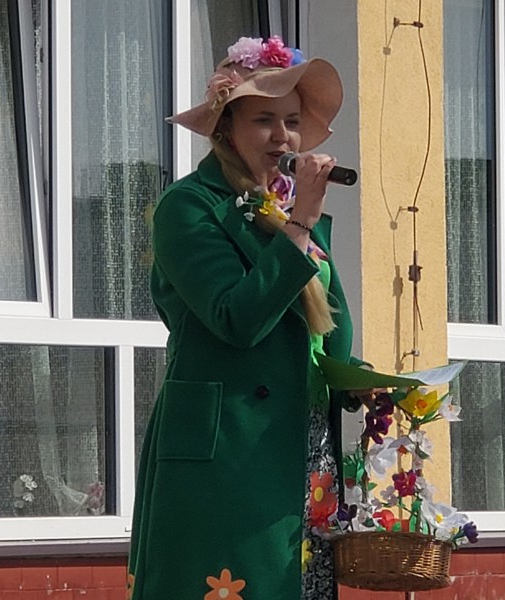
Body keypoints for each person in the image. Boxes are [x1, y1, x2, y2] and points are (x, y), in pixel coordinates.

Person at [127, 35, 370, 600]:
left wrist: (356, 378)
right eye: (264, 120)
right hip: (229, 450)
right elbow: (237, 319)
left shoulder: (286, 212)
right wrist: (301, 223)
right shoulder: (189, 206)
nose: (283, 137)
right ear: (225, 128)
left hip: (302, 442)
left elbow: (320, 331)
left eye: (292, 121)